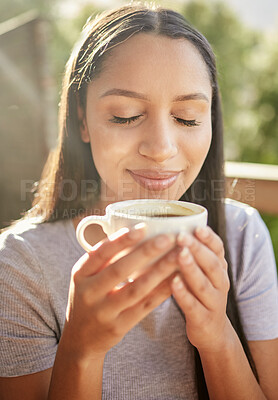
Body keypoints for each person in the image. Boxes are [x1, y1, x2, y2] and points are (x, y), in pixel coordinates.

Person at [0, 3, 277, 399]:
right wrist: (81, 350)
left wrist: (217, 337)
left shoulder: (242, 235)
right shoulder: (20, 265)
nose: (162, 149)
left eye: (187, 118)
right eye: (127, 116)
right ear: (82, 119)